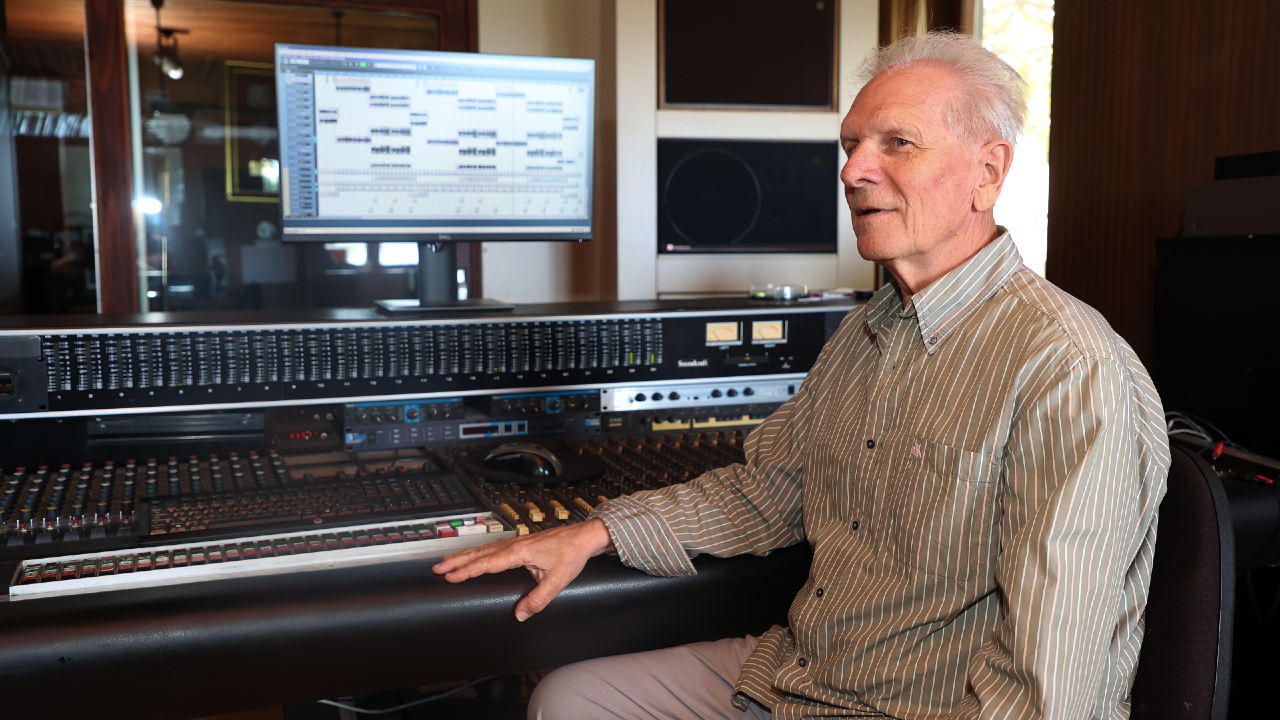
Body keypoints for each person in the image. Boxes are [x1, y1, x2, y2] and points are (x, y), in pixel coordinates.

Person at [435, 31, 1170, 719]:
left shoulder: (1069, 367)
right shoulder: (864, 332)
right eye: (851, 145)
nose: (852, 171)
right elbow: (771, 490)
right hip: (803, 673)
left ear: (989, 171)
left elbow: (1054, 681)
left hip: (924, 705)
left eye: (897, 143)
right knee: (572, 699)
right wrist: (596, 532)